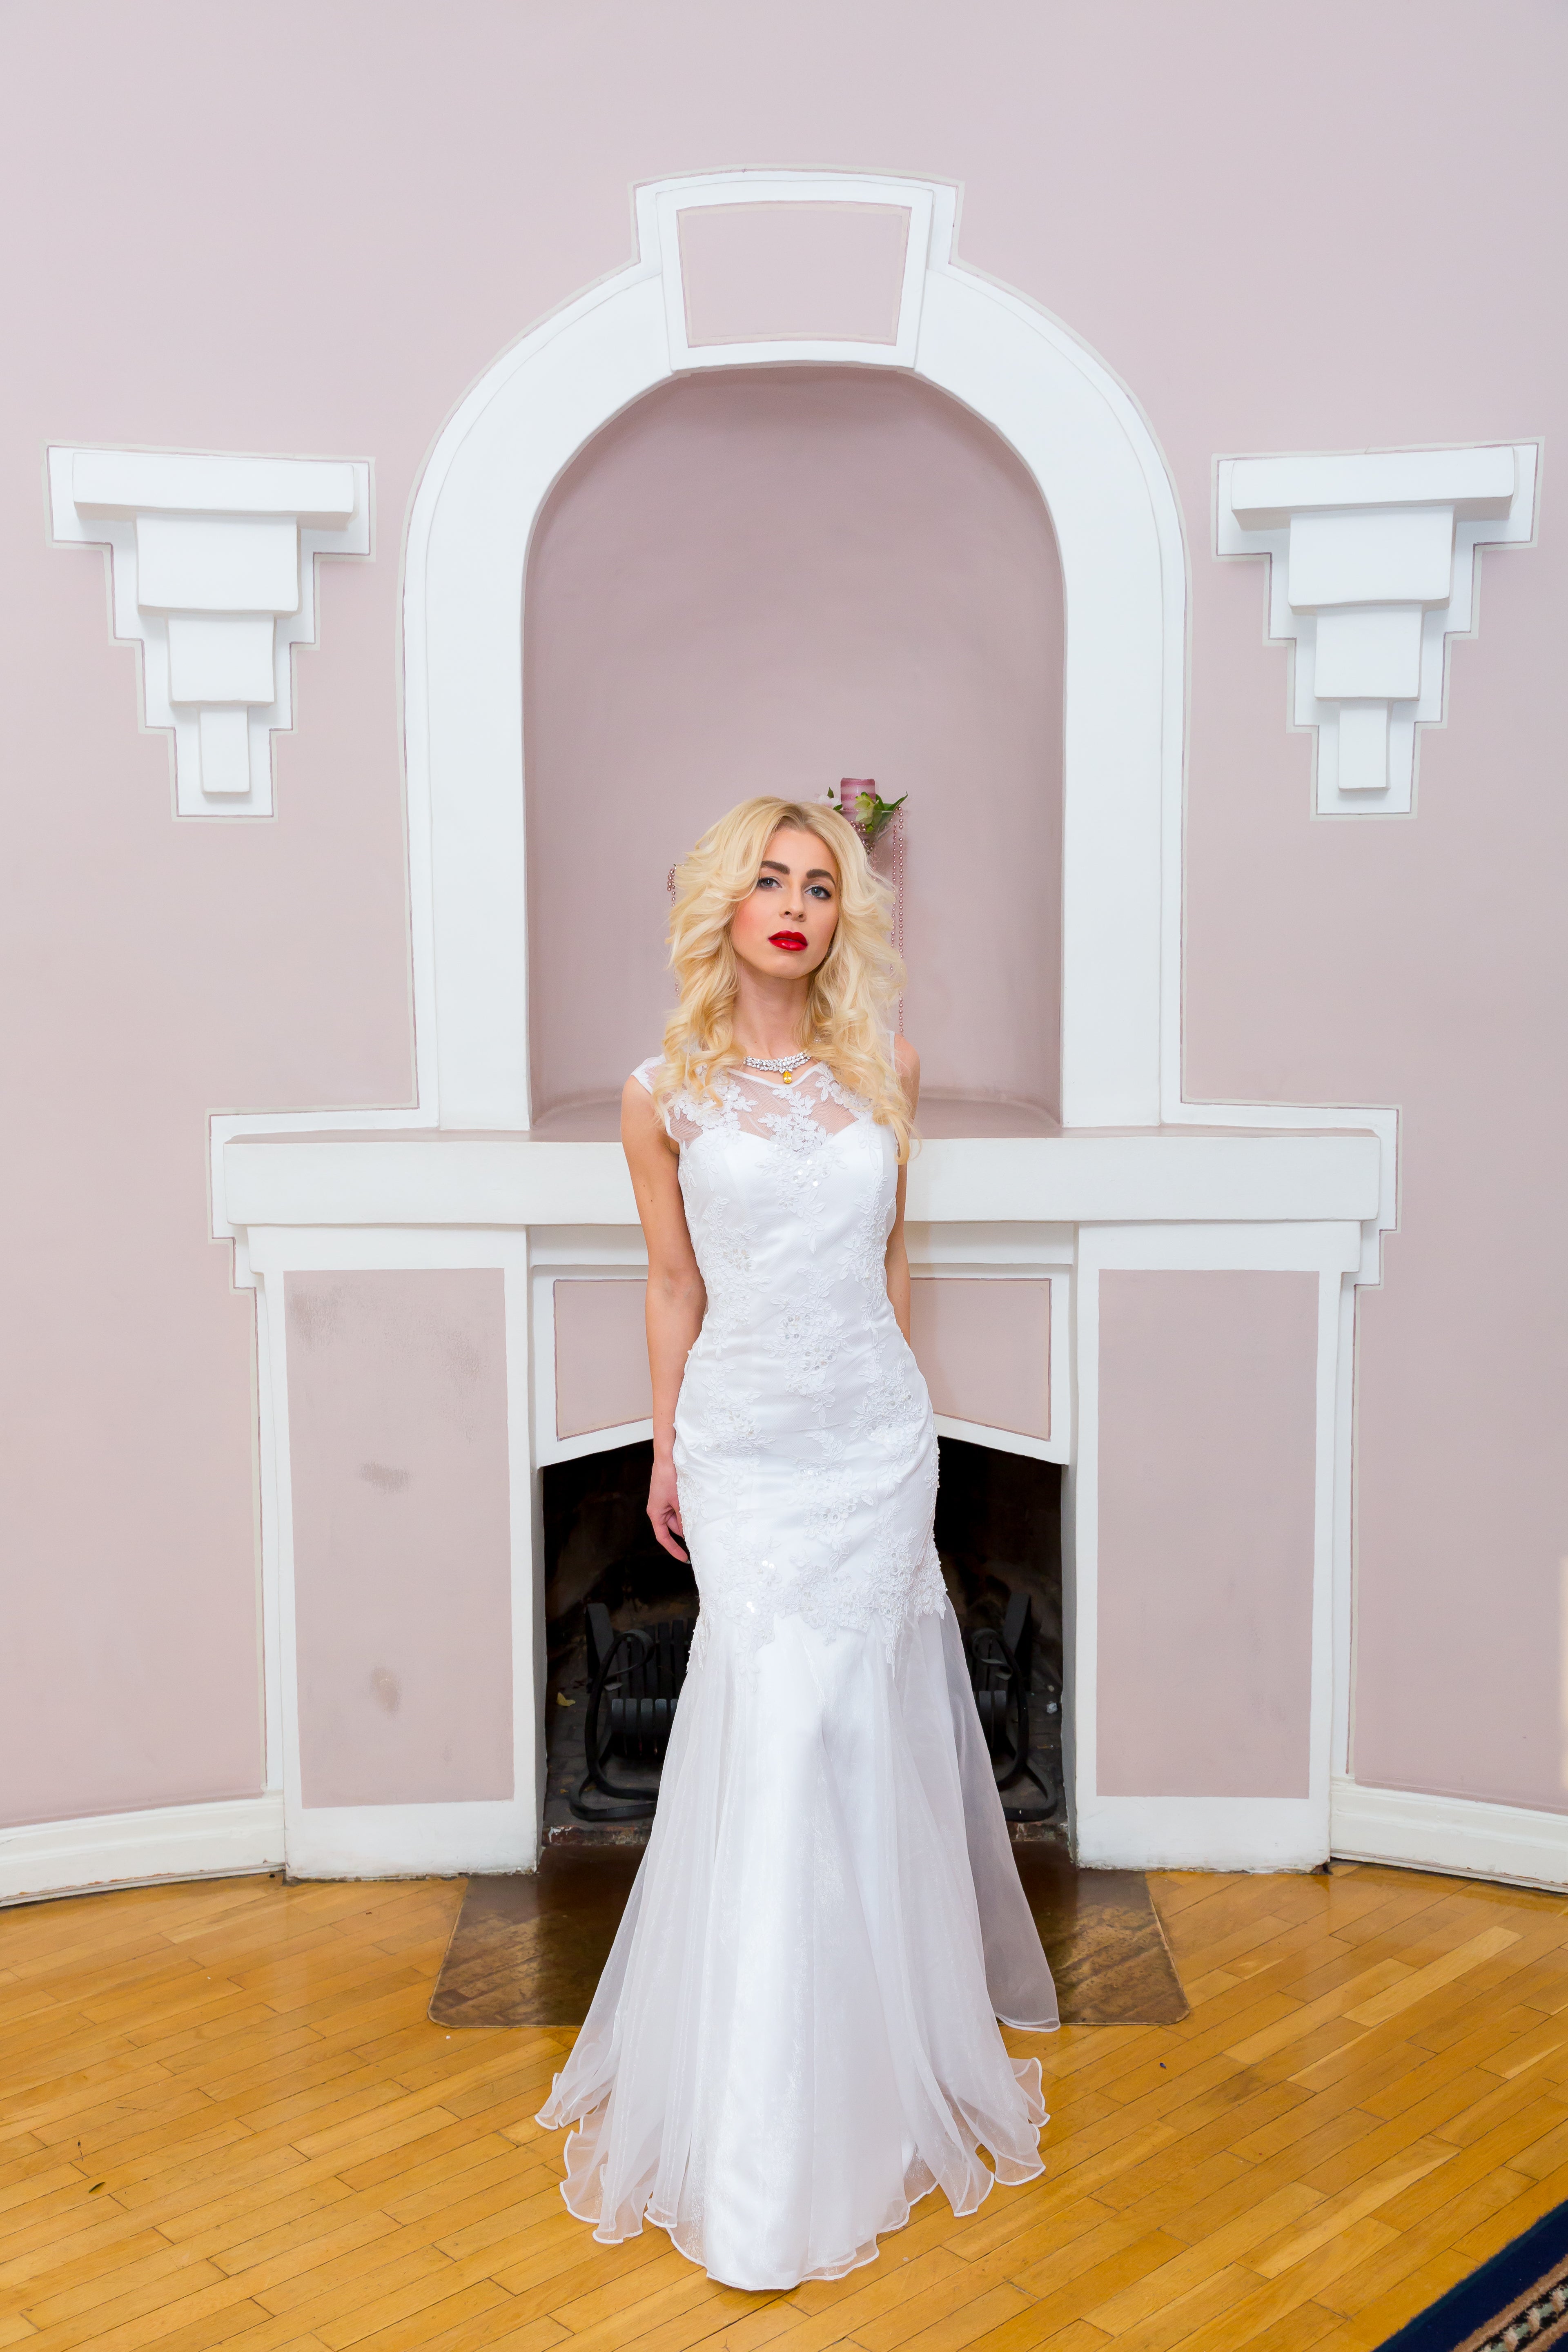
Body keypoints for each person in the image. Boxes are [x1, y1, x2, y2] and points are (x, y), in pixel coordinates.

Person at [536, 795, 1058, 2289]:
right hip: (749, 1444)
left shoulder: (888, 1069)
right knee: (774, 1737)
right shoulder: (664, 1093)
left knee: (857, 1738)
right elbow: (670, 1284)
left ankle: (876, 2080)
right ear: (724, 905)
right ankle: (759, 2140)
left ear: (845, 920)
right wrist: (666, 1443)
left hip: (874, 1440)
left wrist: (911, 1441)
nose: (793, 903)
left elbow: (894, 1261)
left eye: (820, 885)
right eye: (768, 879)